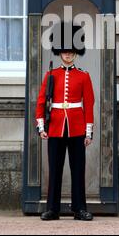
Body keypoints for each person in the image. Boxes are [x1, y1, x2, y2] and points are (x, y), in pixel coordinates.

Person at [35, 22, 95, 221]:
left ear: (75, 53)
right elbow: (42, 101)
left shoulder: (84, 76)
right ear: (59, 53)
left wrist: (88, 131)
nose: (67, 54)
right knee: (55, 169)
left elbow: (89, 104)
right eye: (64, 51)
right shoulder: (51, 75)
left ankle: (80, 209)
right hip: (55, 127)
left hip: (77, 127)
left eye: (70, 51)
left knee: (78, 169)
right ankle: (53, 209)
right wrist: (41, 126)